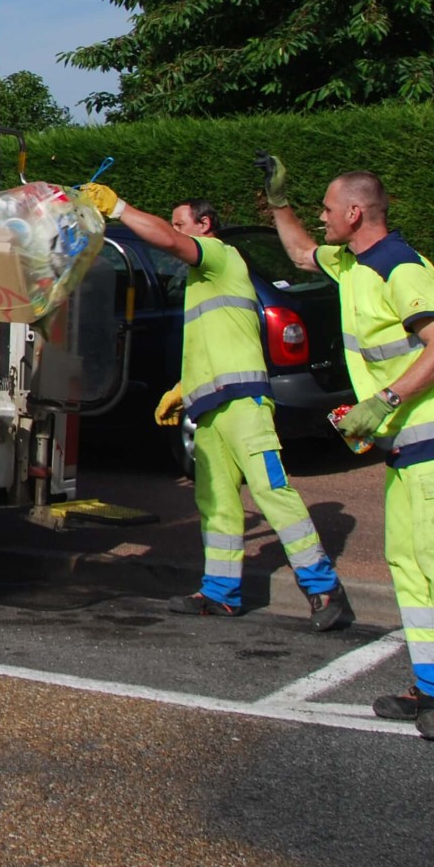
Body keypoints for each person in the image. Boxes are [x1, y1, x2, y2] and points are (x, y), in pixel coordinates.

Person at [258, 154, 434, 743]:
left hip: (432, 436)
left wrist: (383, 401)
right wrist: (279, 203)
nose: (322, 218)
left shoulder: (401, 267)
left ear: (355, 212)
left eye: (328, 209)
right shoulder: (354, 265)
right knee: (408, 562)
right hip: (405, 444)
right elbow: (303, 252)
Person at [77, 182, 353, 631]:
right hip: (212, 409)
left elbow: (165, 239)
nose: (175, 232)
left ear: (205, 226)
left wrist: (121, 207)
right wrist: (183, 389)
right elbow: (216, 345)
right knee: (216, 504)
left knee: (272, 494)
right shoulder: (201, 284)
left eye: (182, 223)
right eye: (177, 225)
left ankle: (323, 588)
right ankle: (220, 593)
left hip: (245, 406)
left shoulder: (222, 256)